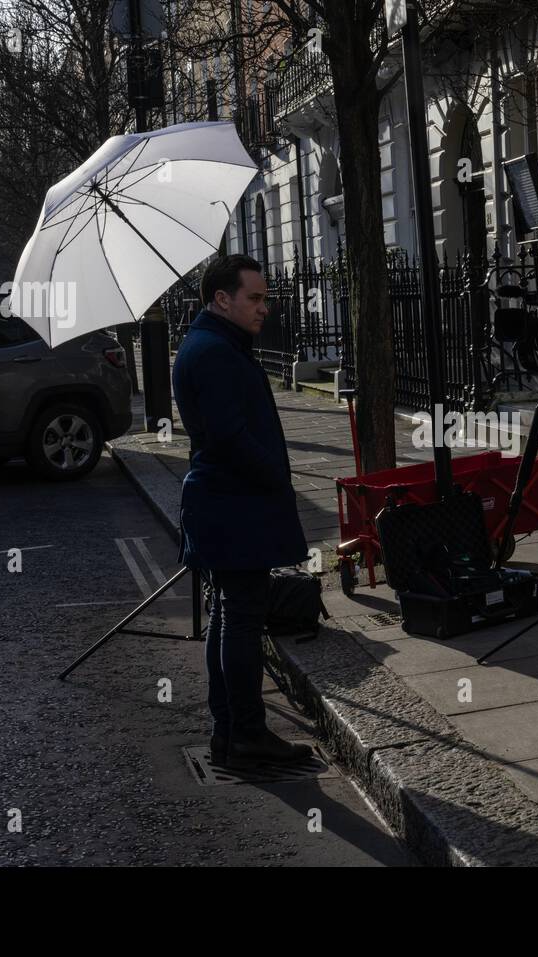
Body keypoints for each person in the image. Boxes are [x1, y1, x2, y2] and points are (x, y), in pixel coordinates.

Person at [172, 254, 311, 767]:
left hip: (223, 503)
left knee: (229, 617)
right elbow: (228, 436)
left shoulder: (214, 344)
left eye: (265, 297)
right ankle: (246, 733)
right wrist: (276, 473)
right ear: (221, 299)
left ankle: (229, 732)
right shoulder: (213, 353)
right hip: (234, 504)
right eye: (254, 298)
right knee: (242, 620)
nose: (265, 308)